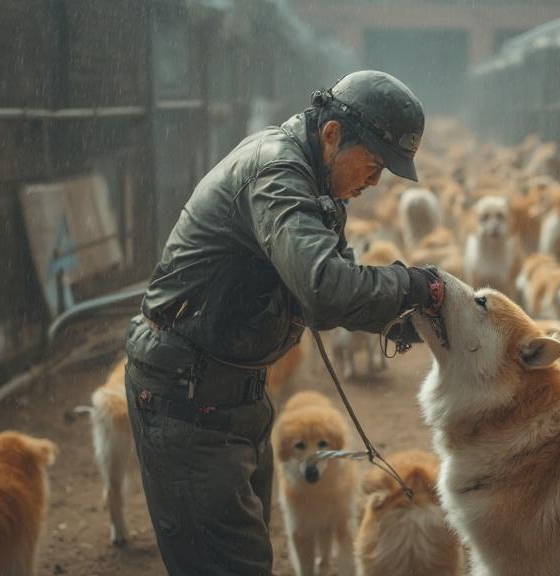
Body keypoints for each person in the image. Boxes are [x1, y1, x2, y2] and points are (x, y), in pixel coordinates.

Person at [123, 70, 444, 574]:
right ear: (333, 134)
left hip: (236, 390)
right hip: (186, 395)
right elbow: (325, 289)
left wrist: (413, 321)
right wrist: (415, 287)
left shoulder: (318, 185)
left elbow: (336, 292)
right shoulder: (277, 176)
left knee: (246, 551)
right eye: (374, 164)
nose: (376, 181)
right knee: (229, 564)